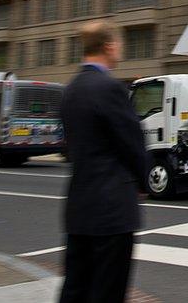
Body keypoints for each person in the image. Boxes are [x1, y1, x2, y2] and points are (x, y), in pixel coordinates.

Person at [59, 21, 150, 303]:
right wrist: (143, 179)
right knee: (108, 290)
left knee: (76, 287)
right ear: (109, 46)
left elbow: (70, 146)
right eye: (119, 45)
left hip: (79, 206)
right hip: (111, 208)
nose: (120, 50)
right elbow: (132, 142)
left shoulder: (70, 89)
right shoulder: (110, 87)